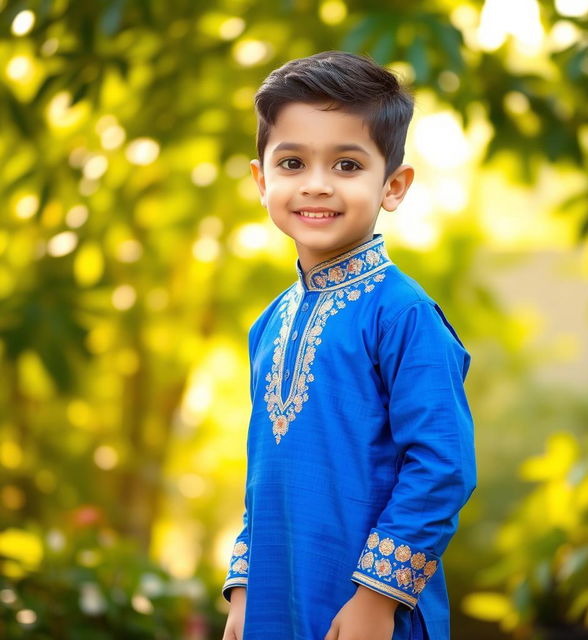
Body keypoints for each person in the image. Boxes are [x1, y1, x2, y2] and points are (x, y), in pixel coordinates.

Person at [221, 50, 476, 640]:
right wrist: (243, 587)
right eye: (291, 162)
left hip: (366, 613)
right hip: (275, 603)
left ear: (393, 185)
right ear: (261, 180)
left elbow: (443, 466)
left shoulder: (405, 316)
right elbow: (264, 471)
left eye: (346, 164)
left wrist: (377, 600)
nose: (316, 184)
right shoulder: (269, 324)